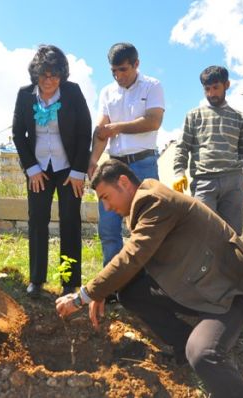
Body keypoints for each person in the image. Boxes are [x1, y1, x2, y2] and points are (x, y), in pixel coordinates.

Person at [56, 159, 243, 398]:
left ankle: (197, 353)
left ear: (123, 182)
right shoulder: (147, 201)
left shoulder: (155, 202)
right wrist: (102, 291)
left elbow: (132, 256)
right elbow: (135, 260)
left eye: (106, 197)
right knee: (130, 292)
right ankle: (184, 347)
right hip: (200, 285)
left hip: (230, 291)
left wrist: (83, 296)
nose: (107, 207)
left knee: (204, 353)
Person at [12, 45, 92, 298]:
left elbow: (84, 131)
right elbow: (18, 134)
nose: (49, 80)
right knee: (37, 220)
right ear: (36, 74)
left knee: (70, 221)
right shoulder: (25, 95)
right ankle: (36, 280)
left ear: (62, 75)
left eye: (55, 75)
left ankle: (69, 282)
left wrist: (79, 170)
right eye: (44, 75)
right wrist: (31, 168)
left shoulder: (73, 92)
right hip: (39, 169)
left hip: (68, 168)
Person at [88, 42, 165, 266]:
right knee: (108, 228)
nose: (118, 76)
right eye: (113, 71)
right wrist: (93, 160)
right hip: (114, 166)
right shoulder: (107, 92)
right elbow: (102, 130)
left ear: (136, 64)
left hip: (144, 164)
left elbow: (153, 121)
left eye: (123, 69)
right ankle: (113, 286)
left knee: (147, 226)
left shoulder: (152, 86)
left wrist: (118, 127)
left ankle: (149, 285)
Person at [173, 65, 243, 236]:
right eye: (207, 89)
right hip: (204, 181)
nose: (211, 93)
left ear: (227, 85)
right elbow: (182, 146)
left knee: (232, 235)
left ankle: (232, 264)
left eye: (216, 88)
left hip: (233, 181)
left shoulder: (239, 117)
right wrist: (179, 173)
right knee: (202, 232)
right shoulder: (194, 116)